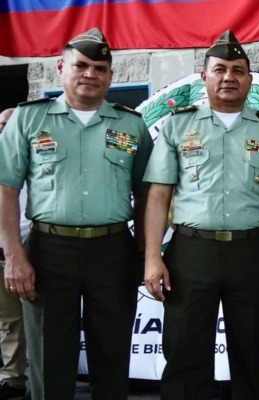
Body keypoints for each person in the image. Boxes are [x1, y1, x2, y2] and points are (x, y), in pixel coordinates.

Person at [0, 27, 153, 399]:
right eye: (81, 65)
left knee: (112, 355)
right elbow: (6, 188)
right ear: (60, 68)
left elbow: (148, 193)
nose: (90, 74)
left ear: (111, 76)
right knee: (49, 358)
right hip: (49, 250)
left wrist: (145, 252)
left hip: (113, 248)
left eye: (100, 68)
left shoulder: (131, 124)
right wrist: (13, 255)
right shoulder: (28, 120)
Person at [141, 30, 259, 399]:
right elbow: (159, 195)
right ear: (205, 77)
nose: (229, 77)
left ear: (249, 80)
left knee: (253, 354)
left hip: (251, 252)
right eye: (220, 69)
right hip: (191, 254)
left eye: (238, 70)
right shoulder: (178, 125)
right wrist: (151, 258)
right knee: (184, 354)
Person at [0, 109, 27, 400]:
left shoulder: (33, 155)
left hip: (33, 247)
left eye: (8, 124)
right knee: (8, 320)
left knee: (40, 319)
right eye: (0, 125)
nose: (3, 129)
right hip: (1, 251)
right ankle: (13, 378)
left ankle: (45, 376)